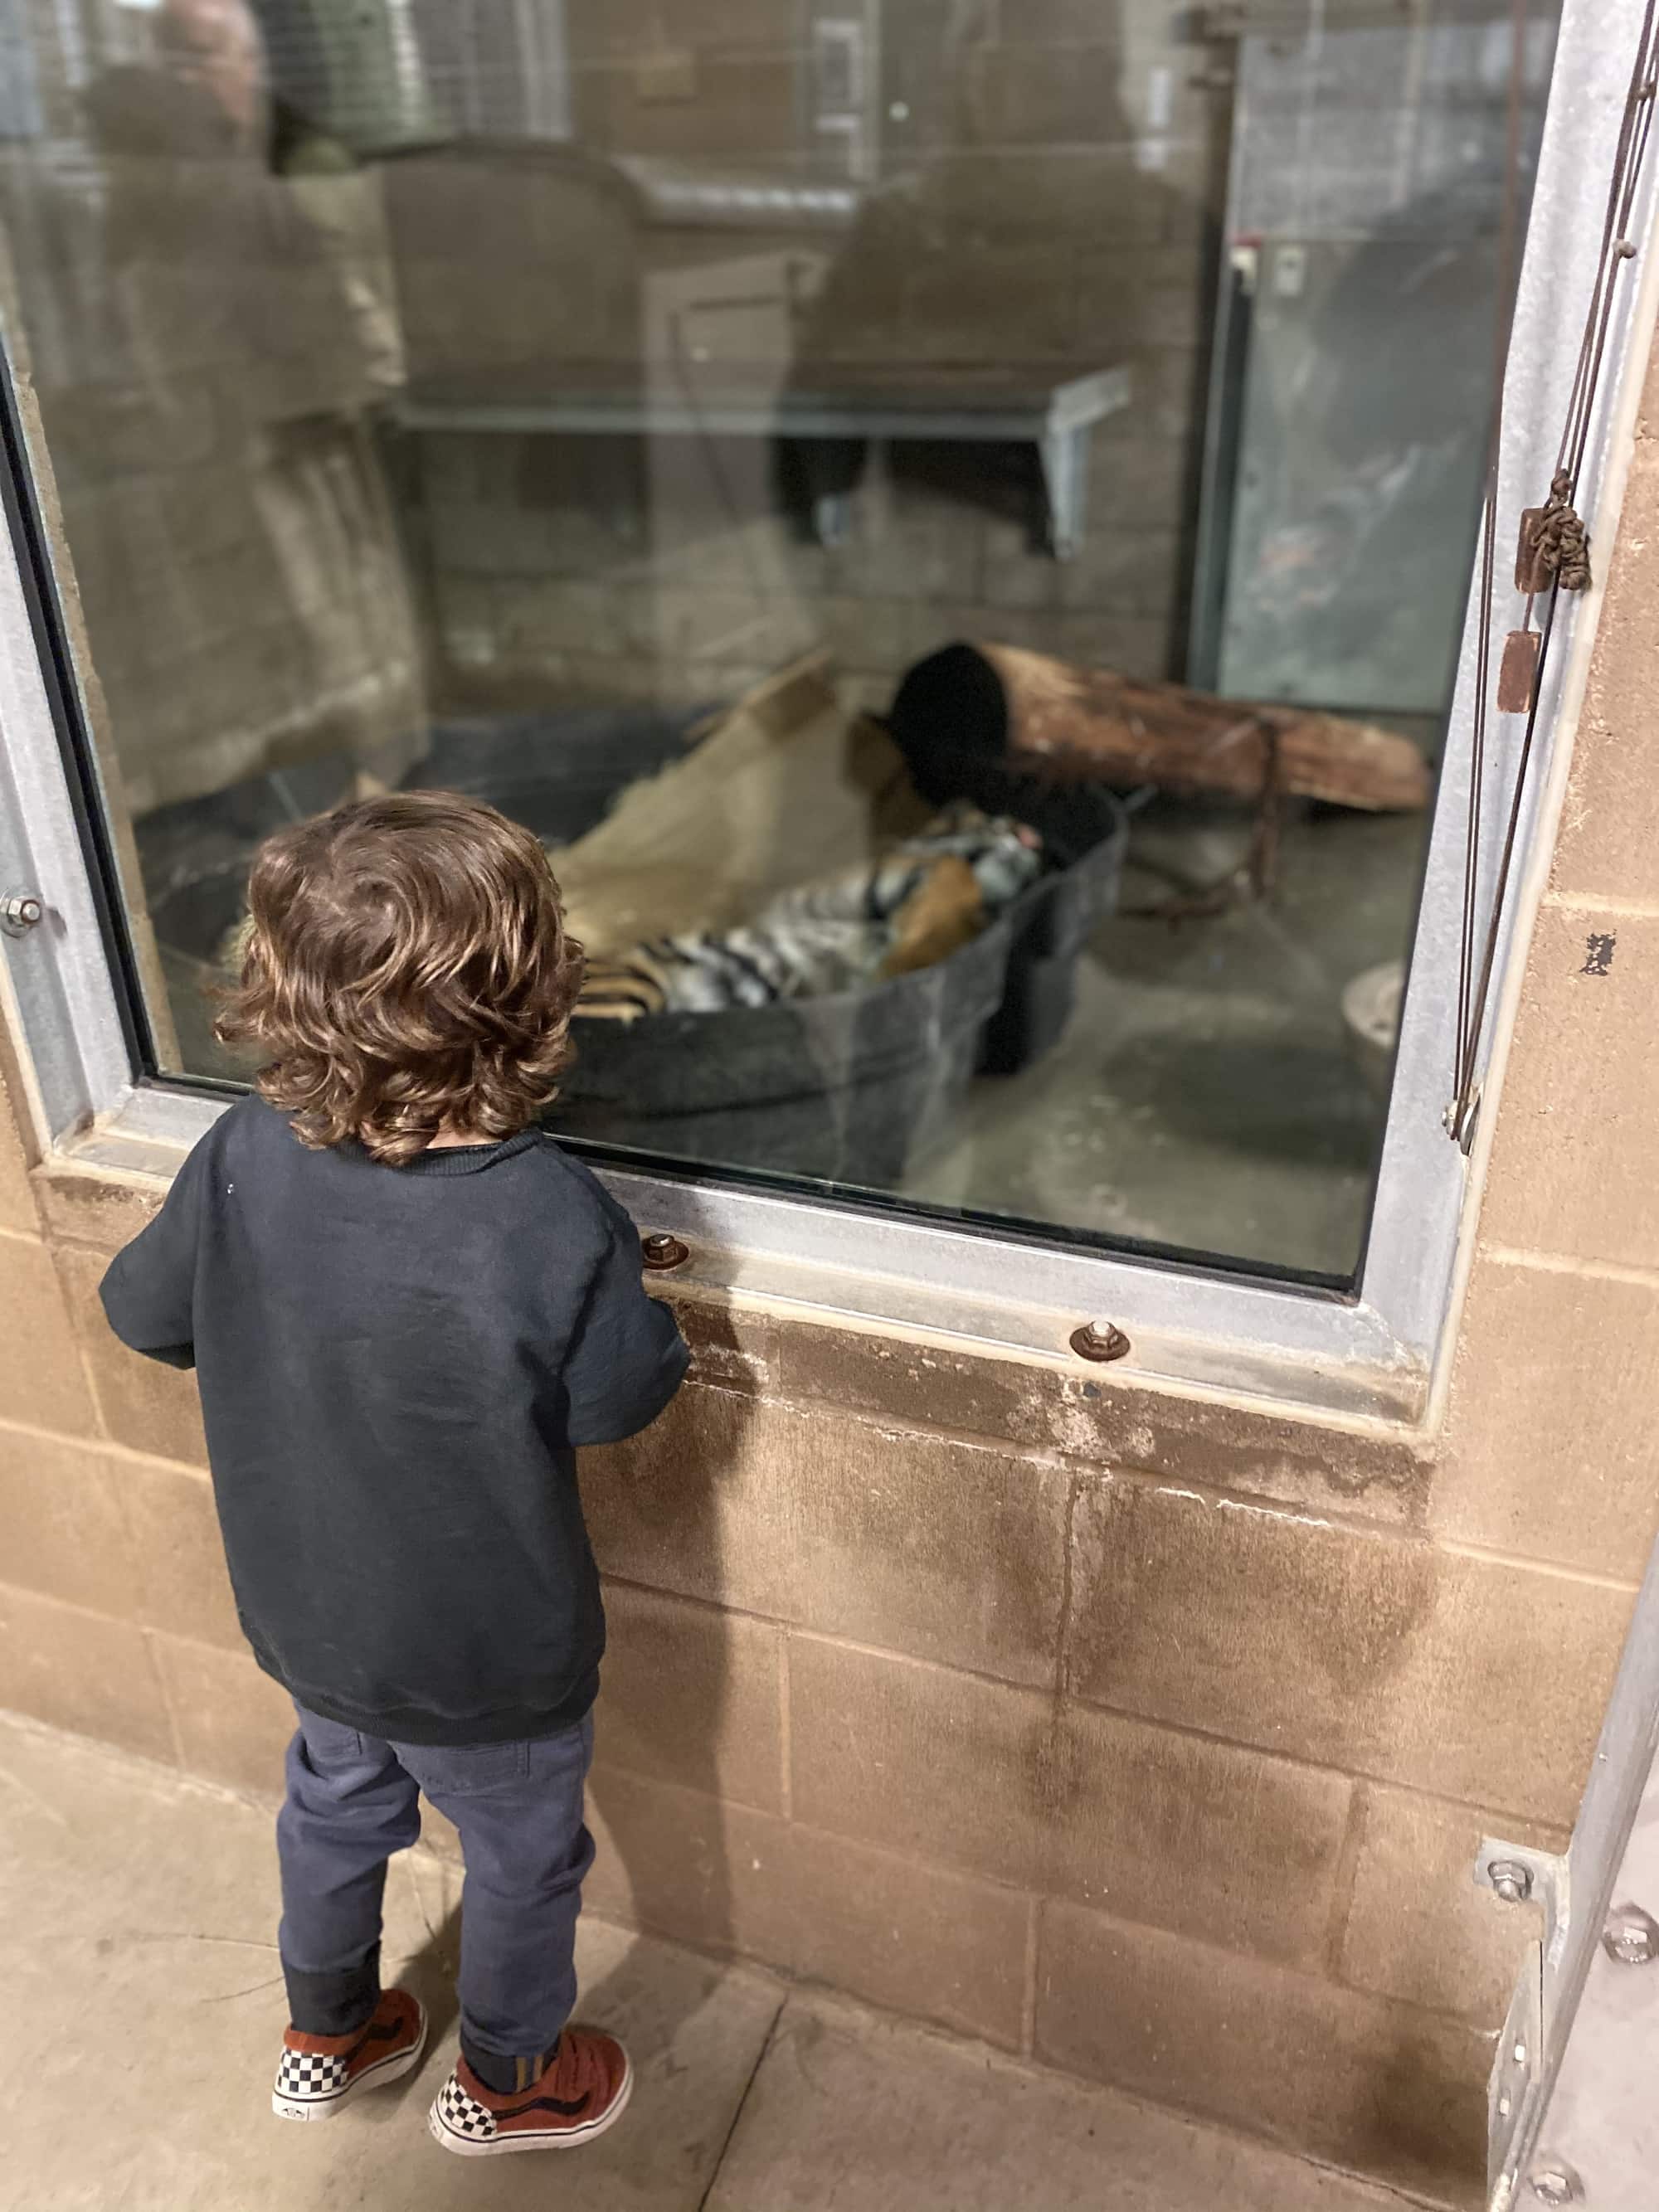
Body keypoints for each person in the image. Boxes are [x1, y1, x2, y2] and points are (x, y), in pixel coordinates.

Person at [100, 790, 688, 2156]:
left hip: (313, 1622)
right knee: (525, 1858)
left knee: (333, 1802)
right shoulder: (550, 1209)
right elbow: (617, 1402)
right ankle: (512, 2074)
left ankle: (329, 2027)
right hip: (493, 1656)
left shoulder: (242, 1153)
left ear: (277, 993)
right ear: (534, 997)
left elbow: (143, 1316)